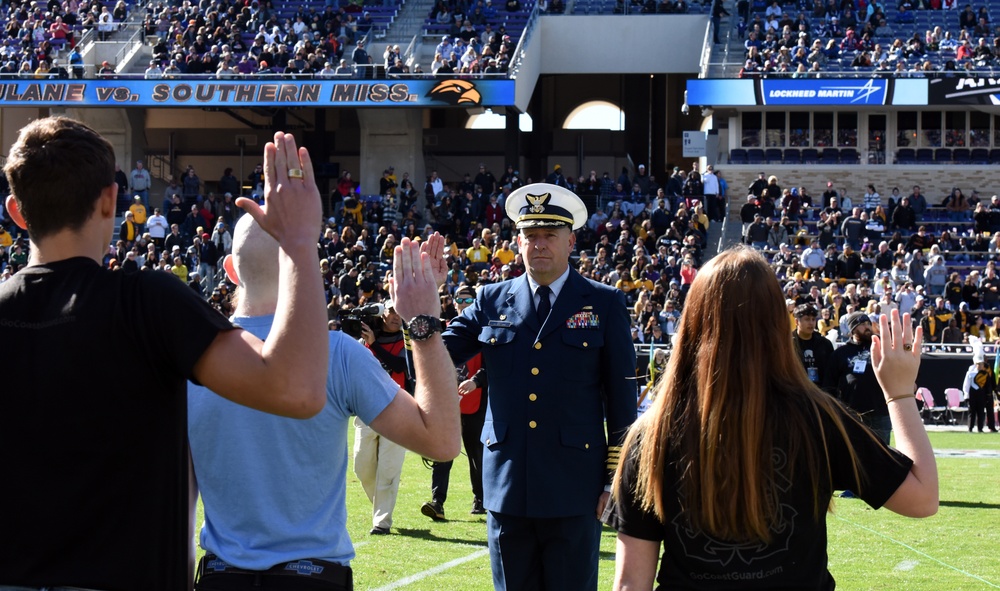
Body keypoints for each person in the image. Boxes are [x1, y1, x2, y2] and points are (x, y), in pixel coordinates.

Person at [0, 119, 330, 590]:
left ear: (17, 211)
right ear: (111, 201)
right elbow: (296, 390)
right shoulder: (145, 302)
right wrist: (298, 243)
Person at [606, 248, 937, 590]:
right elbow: (922, 498)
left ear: (691, 324)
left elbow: (631, 583)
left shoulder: (652, 434)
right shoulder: (819, 418)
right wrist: (899, 394)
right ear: (778, 323)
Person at [189, 219, 460, 589]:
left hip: (220, 576)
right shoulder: (338, 354)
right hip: (312, 577)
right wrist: (423, 324)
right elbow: (441, 442)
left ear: (231, 271)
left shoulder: (189, 358)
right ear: (302, 267)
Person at [438, 182, 638, 591]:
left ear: (570, 241)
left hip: (575, 487)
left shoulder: (603, 302)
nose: (539, 245)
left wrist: (612, 481)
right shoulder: (491, 299)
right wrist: (418, 315)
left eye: (549, 235)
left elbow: (622, 400)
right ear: (517, 243)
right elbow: (438, 356)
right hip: (508, 486)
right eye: (530, 236)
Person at [421, 284, 489, 520]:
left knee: (475, 453)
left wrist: (476, 381)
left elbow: (492, 363)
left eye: (469, 300)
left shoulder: (484, 329)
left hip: (475, 401)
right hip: (448, 403)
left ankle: (481, 499)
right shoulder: (447, 329)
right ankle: (437, 503)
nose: (463, 304)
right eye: (460, 299)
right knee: (442, 452)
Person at [353, 302, 413, 535]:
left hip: (398, 411)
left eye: (400, 311)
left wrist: (374, 346)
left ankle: (382, 522)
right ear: (382, 314)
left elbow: (401, 365)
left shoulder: (407, 340)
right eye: (391, 311)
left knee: (388, 470)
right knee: (361, 467)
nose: (396, 316)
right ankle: (382, 506)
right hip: (366, 409)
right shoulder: (365, 340)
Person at [825, 311, 894, 444]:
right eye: (862, 324)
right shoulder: (841, 353)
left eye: (868, 323)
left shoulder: (881, 348)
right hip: (851, 414)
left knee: (883, 456)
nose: (867, 327)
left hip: (880, 412)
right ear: (853, 328)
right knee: (855, 454)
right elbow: (829, 385)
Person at [793, 303, 834, 389]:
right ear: (796, 321)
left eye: (813, 319)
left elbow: (831, 372)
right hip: (795, 393)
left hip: (820, 392)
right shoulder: (787, 344)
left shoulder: (825, 344)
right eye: (807, 319)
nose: (811, 323)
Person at [963, 336, 998, 433]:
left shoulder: (988, 369)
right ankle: (971, 427)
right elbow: (966, 384)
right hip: (974, 394)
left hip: (985, 392)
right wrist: (966, 395)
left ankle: (987, 427)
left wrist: (992, 391)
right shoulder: (971, 371)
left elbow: (991, 380)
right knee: (973, 411)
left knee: (985, 411)